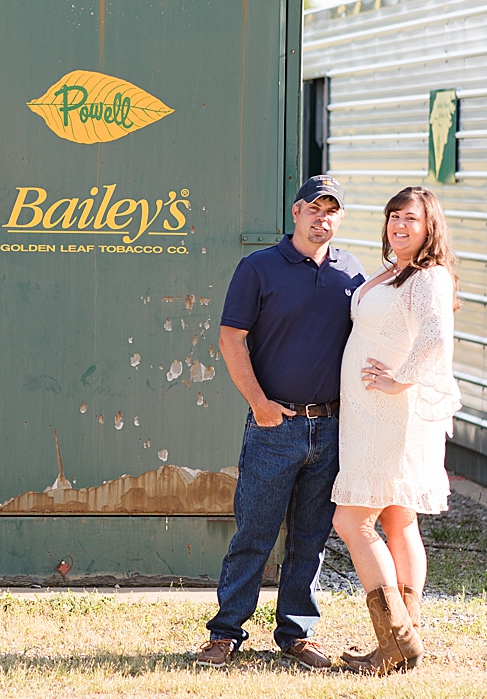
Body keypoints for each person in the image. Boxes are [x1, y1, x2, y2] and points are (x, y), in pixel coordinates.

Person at [194, 175, 366, 670]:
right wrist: (260, 402)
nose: (322, 218)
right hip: (275, 426)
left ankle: (297, 635)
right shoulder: (259, 268)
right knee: (255, 532)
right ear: (295, 212)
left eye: (331, 211)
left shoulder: (351, 272)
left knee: (311, 537)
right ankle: (225, 633)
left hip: (332, 427)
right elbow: (231, 339)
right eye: (314, 208)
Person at [330, 185, 462, 675]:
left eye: (411, 219)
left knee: (351, 521)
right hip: (370, 414)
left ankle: (397, 640)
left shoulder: (428, 276)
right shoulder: (394, 272)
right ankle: (406, 634)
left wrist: (398, 379)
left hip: (393, 415)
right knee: (397, 517)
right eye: (394, 217)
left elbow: (435, 335)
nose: (399, 226)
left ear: (430, 227)